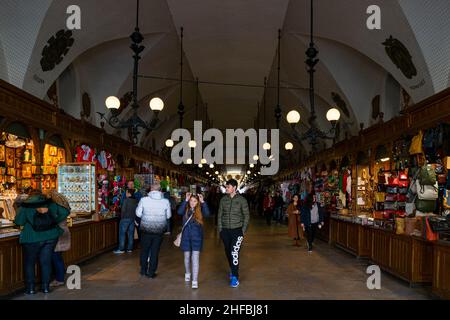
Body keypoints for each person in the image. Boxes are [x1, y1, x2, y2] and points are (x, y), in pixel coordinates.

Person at [14, 193, 69, 294]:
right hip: (51, 236)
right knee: (46, 262)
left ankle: (30, 289)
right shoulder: (49, 203)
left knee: (29, 263)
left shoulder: (25, 206)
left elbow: (19, 221)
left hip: (32, 237)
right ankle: (45, 287)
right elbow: (65, 212)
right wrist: (53, 221)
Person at [218, 179, 250, 288]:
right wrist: (220, 230)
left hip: (237, 230)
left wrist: (243, 230)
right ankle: (232, 268)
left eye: (228, 187)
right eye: (226, 187)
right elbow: (219, 215)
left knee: (234, 252)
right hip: (225, 230)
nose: (226, 188)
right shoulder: (223, 200)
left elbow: (246, 215)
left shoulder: (242, 200)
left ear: (234, 188)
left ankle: (235, 277)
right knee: (228, 251)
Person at [135, 183, 171, 278]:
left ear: (151, 189)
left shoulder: (144, 200)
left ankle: (143, 270)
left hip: (145, 230)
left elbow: (138, 214)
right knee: (155, 251)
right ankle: (151, 272)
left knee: (144, 250)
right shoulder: (165, 201)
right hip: (159, 231)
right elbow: (168, 216)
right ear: (160, 190)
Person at [177, 193, 210, 289]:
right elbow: (179, 212)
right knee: (187, 257)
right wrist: (185, 200)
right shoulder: (185, 209)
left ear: (198, 202)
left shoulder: (200, 210)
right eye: (191, 201)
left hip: (197, 238)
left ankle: (194, 280)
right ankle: (187, 272)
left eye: (195, 201)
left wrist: (203, 202)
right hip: (186, 237)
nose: (192, 203)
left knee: (195, 259)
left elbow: (207, 213)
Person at [49, 191, 72, 288]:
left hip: (57, 231)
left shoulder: (54, 206)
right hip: (64, 230)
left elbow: (53, 219)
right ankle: (61, 276)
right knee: (59, 256)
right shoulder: (64, 207)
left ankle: (59, 279)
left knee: (55, 256)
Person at [114, 189, 138, 254]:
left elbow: (123, 210)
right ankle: (130, 248)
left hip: (125, 219)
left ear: (129, 193)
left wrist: (122, 218)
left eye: (127, 193)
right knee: (130, 234)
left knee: (122, 234)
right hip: (132, 219)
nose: (126, 194)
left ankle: (121, 249)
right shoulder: (135, 200)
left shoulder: (126, 200)